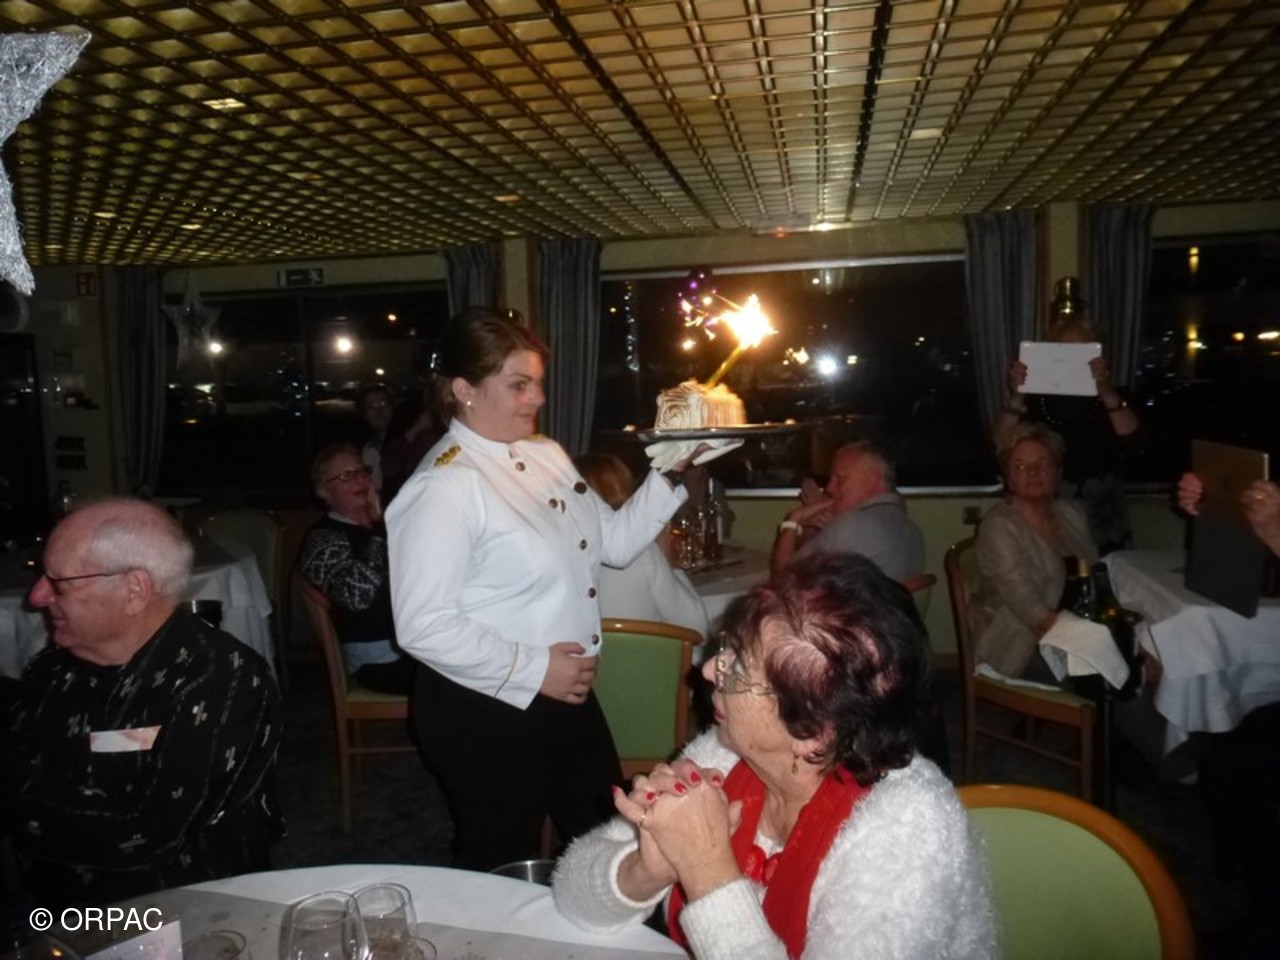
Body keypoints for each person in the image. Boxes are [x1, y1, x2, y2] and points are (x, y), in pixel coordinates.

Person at [552, 553, 996, 959]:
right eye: (726, 647)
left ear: (813, 732)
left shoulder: (909, 823)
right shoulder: (725, 754)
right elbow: (572, 897)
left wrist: (707, 870)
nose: (708, 670)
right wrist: (645, 870)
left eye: (738, 668)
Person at [386, 307, 691, 871]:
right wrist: (535, 669)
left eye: (538, 383)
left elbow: (615, 544)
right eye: (519, 385)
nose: (538, 398)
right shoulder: (443, 486)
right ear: (464, 389)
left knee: (611, 843)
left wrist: (672, 468)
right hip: (482, 706)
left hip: (564, 693)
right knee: (501, 861)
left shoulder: (545, 454)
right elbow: (422, 625)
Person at [1, 498, 282, 907]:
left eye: (59, 582)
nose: (37, 596)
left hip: (176, 908)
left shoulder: (222, 680)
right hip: (48, 898)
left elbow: (148, 835)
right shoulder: (54, 665)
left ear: (134, 591)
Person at [992, 279, 1140, 554]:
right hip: (1047, 511)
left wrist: (1105, 390)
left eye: (1083, 352)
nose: (1074, 359)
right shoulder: (1037, 398)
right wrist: (1018, 394)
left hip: (1102, 512)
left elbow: (1134, 439)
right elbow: (1001, 441)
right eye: (1066, 351)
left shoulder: (1113, 397)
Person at [972, 422, 1095, 682]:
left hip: (1076, 630)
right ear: (1009, 479)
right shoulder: (998, 527)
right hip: (1022, 642)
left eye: (1043, 464)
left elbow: (1094, 578)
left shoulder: (1072, 514)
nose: (1032, 472)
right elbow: (1034, 614)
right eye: (1019, 466)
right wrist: (1098, 643)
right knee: (1113, 676)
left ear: (1058, 473)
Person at [299, 444, 415, 695]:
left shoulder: (392, 524)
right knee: (468, 678)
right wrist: (379, 529)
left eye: (362, 472)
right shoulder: (322, 538)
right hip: (378, 660)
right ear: (323, 491)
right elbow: (357, 597)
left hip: (416, 645)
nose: (360, 480)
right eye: (346, 476)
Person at [574, 453, 709, 638]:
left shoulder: (565, 548)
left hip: (587, 655)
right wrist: (670, 562)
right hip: (644, 656)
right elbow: (697, 629)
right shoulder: (640, 551)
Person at [770, 441, 924, 583]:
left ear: (872, 479)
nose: (829, 488)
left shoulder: (854, 525)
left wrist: (793, 521)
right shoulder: (905, 525)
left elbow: (783, 579)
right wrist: (814, 525)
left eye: (840, 479)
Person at [356, 384, 395, 492]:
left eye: (383, 404)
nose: (379, 411)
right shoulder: (361, 449)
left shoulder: (409, 439)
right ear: (364, 414)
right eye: (371, 406)